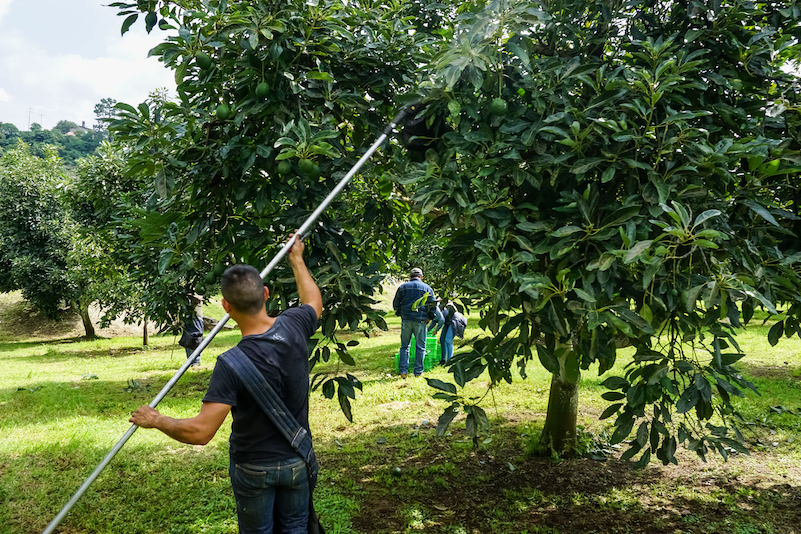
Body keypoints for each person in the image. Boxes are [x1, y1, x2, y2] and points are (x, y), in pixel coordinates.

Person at [130, 233, 322, 534]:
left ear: (225, 307)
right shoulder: (295, 325)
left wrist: (156, 419)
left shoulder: (231, 364)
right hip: (297, 461)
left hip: (254, 469)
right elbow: (313, 300)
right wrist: (296, 258)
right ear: (267, 293)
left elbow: (201, 432)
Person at [392, 267, 435, 378]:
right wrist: (430, 317)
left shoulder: (402, 287)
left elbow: (396, 303)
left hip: (406, 320)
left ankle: (403, 372)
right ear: (421, 277)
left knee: (404, 346)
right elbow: (432, 305)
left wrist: (400, 314)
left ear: (410, 276)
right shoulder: (427, 288)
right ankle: (418, 372)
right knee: (420, 346)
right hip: (420, 320)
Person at [179, 293, 204, 366]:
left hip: (196, 316)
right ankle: (190, 361)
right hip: (187, 316)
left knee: (196, 337)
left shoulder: (197, 286)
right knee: (187, 338)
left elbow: (199, 298)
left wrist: (191, 295)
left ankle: (196, 362)